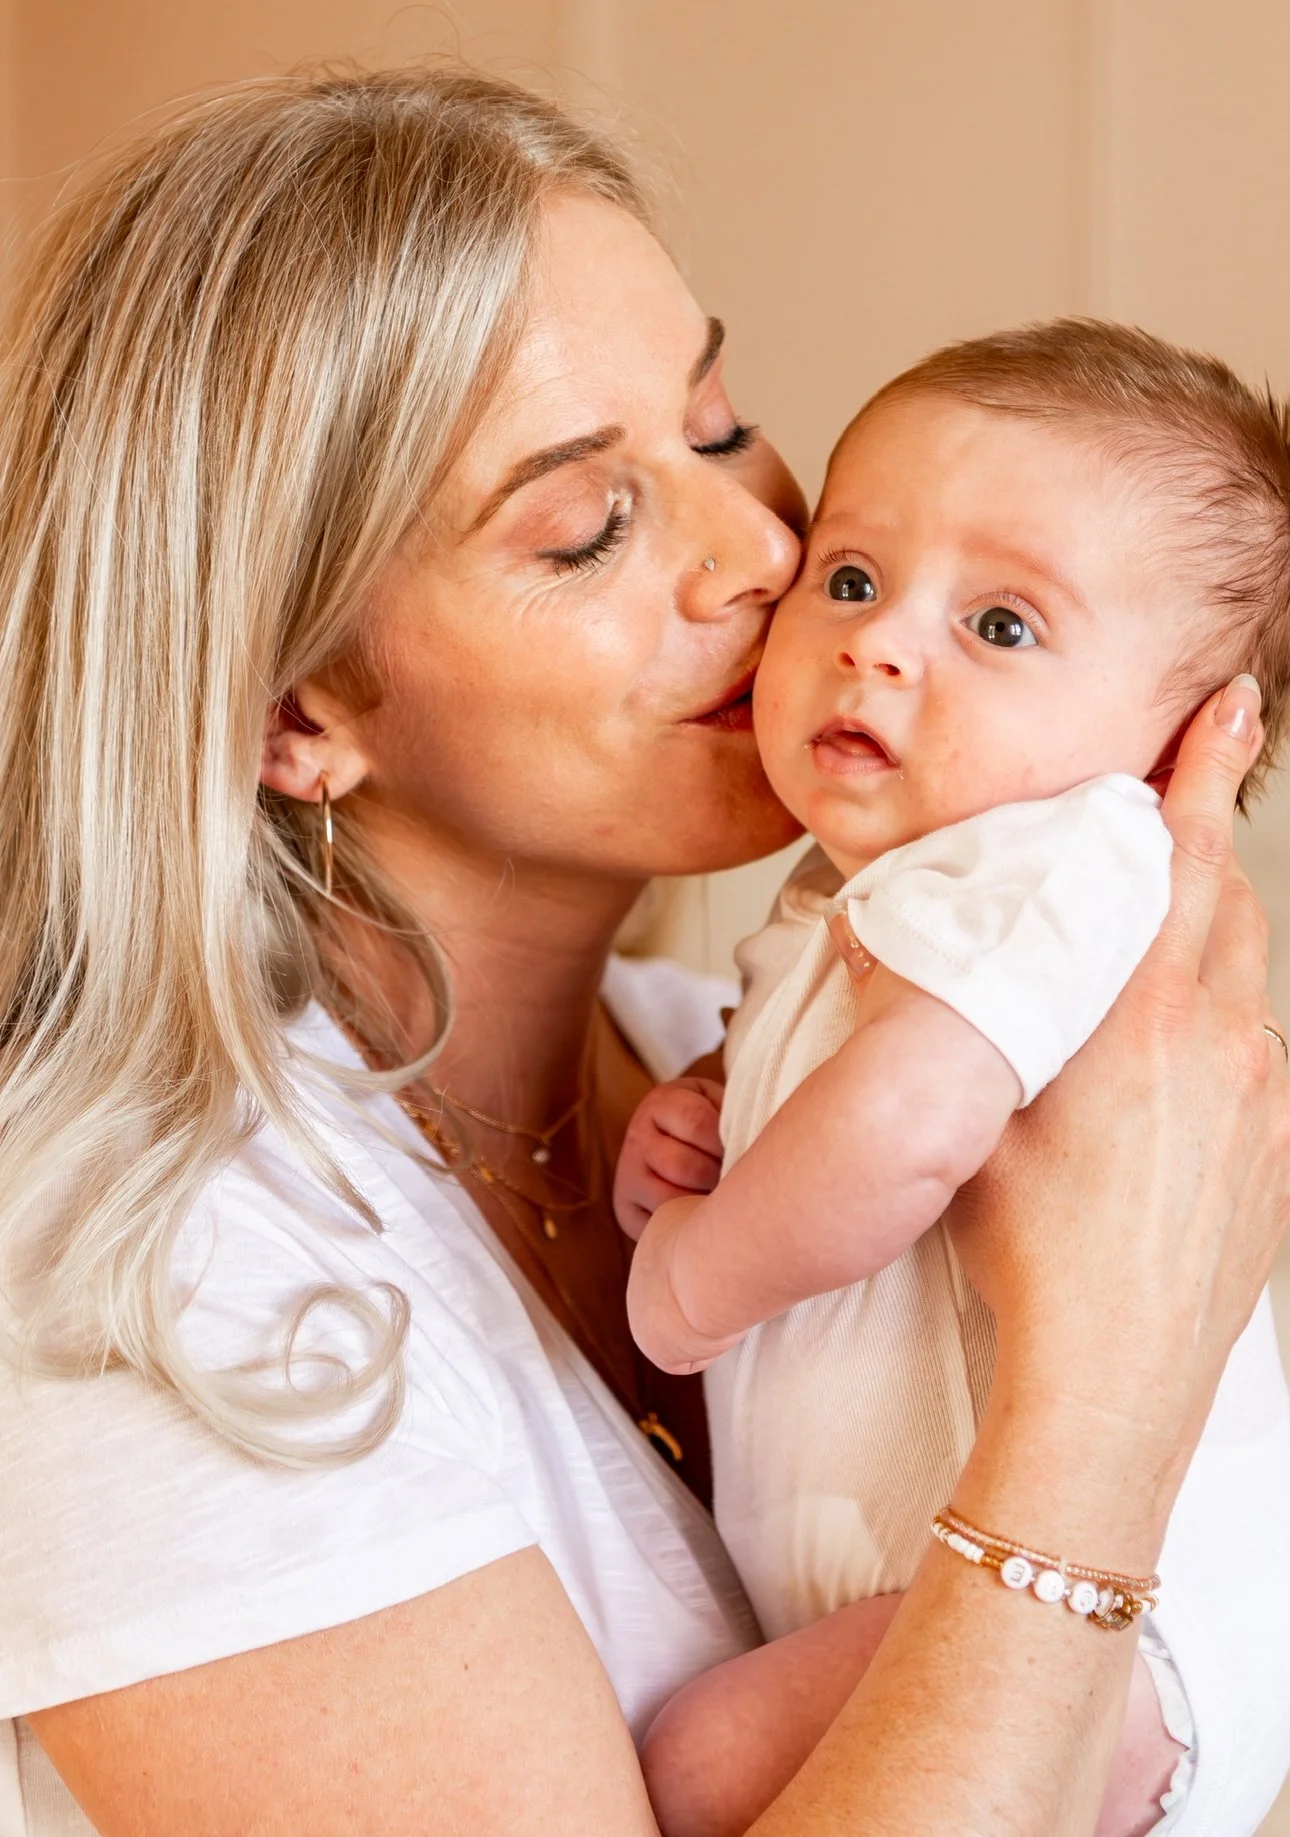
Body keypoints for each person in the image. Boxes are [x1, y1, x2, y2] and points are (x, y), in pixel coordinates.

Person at [0, 65, 1283, 1837]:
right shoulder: (125, 1282)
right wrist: (1108, 1393)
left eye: (718, 419)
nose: (766, 551)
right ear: (294, 711)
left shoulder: (730, 1051)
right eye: (585, 525)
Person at [618, 321, 1290, 1836]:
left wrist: (697, 1278)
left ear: (1180, 738)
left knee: (690, 1773)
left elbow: (910, 1121)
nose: (874, 639)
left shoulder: (1060, 857)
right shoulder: (894, 887)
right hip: (1017, 1594)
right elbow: (859, 1072)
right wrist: (719, 1098)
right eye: (850, 579)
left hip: (1121, 1629)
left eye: (1000, 624)